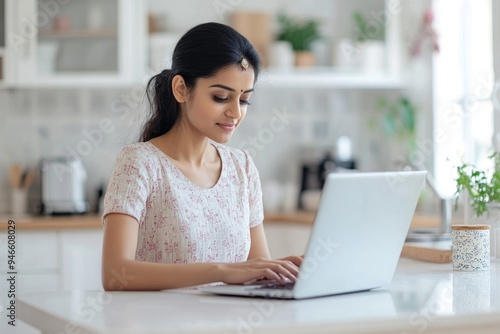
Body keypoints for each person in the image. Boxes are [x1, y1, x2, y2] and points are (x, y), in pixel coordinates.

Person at [101, 22, 302, 291]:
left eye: (244, 100)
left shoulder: (241, 167)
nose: (236, 113)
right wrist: (221, 271)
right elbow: (116, 274)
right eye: (221, 97)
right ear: (181, 89)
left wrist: (278, 270)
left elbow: (254, 270)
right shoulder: (140, 163)